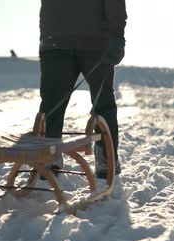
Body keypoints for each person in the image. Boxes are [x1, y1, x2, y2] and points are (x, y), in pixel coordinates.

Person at [39, 0, 126, 178]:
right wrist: (117, 36)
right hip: (95, 41)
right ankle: (106, 159)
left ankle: (48, 155)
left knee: (52, 103)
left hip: (55, 39)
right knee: (103, 104)